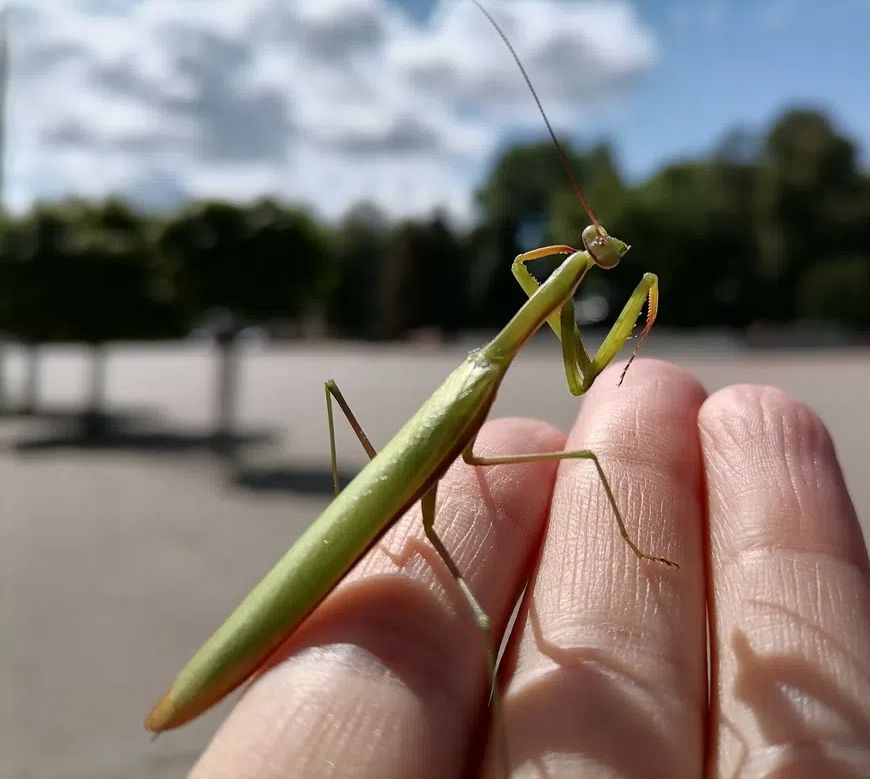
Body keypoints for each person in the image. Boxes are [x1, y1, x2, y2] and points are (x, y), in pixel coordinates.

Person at [189, 360, 870, 778]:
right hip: (375, 524)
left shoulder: (485, 358)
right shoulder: (488, 368)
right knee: (584, 467)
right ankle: (516, 756)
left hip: (387, 516)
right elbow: (584, 372)